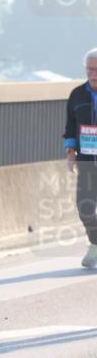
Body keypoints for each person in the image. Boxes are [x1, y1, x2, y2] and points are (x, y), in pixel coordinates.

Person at [65, 47, 97, 269]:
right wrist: (70, 152)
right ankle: (95, 243)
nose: (93, 74)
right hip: (87, 160)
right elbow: (70, 126)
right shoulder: (77, 94)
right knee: (84, 206)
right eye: (90, 70)